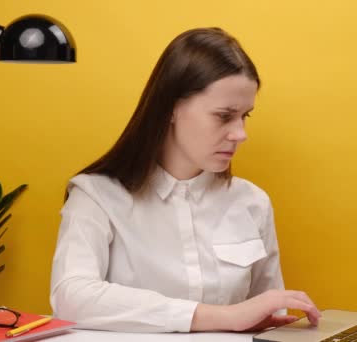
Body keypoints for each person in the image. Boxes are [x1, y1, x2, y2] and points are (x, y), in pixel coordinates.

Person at [49, 27, 320, 333]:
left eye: (246, 115)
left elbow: (267, 318)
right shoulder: (96, 195)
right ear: (172, 109)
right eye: (223, 116)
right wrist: (222, 317)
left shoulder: (252, 202)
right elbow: (71, 297)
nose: (241, 134)